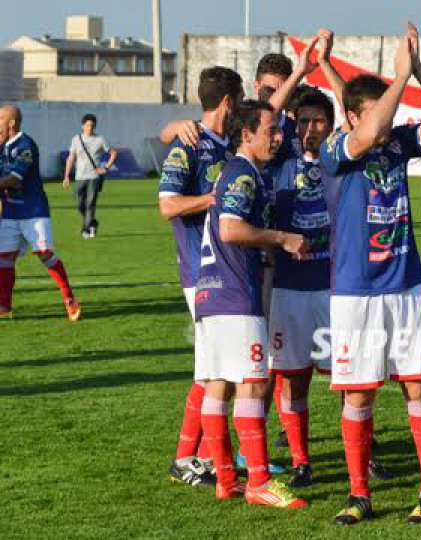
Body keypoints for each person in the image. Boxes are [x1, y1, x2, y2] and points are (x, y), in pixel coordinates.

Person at [319, 22, 421, 525]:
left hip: (405, 286)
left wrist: (417, 70)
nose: (389, 118)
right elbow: (367, 134)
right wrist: (398, 80)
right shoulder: (335, 149)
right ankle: (359, 494)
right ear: (352, 115)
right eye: (378, 108)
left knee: (417, 387)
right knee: (359, 393)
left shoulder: (400, 143)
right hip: (355, 291)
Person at [194, 99, 309, 508]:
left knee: (218, 385)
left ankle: (226, 479)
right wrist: (281, 238)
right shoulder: (243, 174)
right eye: (270, 130)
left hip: (210, 293)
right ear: (247, 134)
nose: (277, 138)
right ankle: (259, 481)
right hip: (236, 296)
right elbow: (230, 229)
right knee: (254, 384)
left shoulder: (235, 171)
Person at [159, 66, 242, 487]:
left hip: (227, 273)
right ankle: (189, 459)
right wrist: (213, 198)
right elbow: (168, 205)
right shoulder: (188, 144)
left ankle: (201, 458)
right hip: (200, 274)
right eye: (240, 98)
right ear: (228, 101)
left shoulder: (232, 142)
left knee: (219, 369)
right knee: (215, 372)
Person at [266, 87, 336, 489]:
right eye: (304, 121)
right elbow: (266, 116)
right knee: (294, 377)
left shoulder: (341, 157)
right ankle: (301, 460)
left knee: (349, 377)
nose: (311, 128)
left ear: (331, 125)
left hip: (335, 287)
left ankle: (363, 452)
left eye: (319, 121)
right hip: (289, 287)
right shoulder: (281, 158)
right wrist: (300, 72)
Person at [0, 104, 80, 322]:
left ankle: (69, 298)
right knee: (4, 258)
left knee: (45, 255)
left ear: (11, 123)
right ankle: (4, 305)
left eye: (0, 119)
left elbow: (13, 179)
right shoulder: (2, 145)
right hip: (10, 212)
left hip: (33, 211)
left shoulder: (25, 145)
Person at [63, 113, 117, 238]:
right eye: (87, 125)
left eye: (92, 125)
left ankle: (86, 229)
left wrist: (106, 168)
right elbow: (71, 158)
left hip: (94, 177)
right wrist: (66, 176)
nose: (90, 128)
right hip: (79, 177)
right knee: (79, 205)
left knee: (90, 204)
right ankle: (93, 222)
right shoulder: (76, 139)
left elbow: (113, 153)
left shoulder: (100, 139)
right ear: (82, 126)